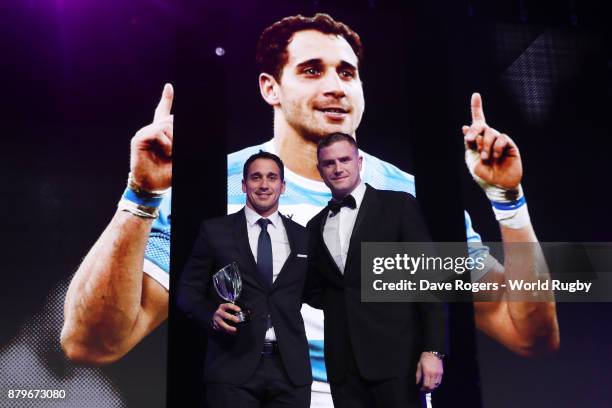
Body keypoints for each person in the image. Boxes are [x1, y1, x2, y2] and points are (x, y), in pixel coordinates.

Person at [62, 11, 559, 408]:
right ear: (269, 88)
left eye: (348, 72)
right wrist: (142, 194)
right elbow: (91, 343)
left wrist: (509, 203)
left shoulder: (412, 198)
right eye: (312, 70)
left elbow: (526, 333)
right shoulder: (213, 191)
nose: (336, 85)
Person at [306, 133, 445, 408]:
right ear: (320, 170)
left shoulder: (398, 206)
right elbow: (317, 290)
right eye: (329, 163)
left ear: (360, 161)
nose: (338, 168)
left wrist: (433, 350)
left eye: (344, 159)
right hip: (343, 366)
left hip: (397, 360)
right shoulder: (314, 226)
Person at [177, 151, 313, 407]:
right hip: (232, 366)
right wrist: (211, 315)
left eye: (272, 178)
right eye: (256, 177)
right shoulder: (215, 231)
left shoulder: (303, 237)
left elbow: (316, 291)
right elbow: (188, 291)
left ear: (282, 186)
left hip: (290, 370)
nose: (264, 185)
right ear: (243, 184)